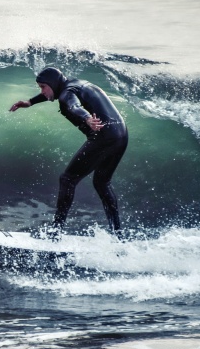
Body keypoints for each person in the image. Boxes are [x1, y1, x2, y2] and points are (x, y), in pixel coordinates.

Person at [10, 67, 128, 235]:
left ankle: (56, 232)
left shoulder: (66, 95)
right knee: (102, 183)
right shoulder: (76, 84)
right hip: (121, 134)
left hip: (103, 137)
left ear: (52, 84)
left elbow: (73, 105)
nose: (42, 91)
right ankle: (118, 233)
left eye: (43, 87)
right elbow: (66, 96)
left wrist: (87, 118)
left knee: (67, 179)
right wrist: (30, 102)